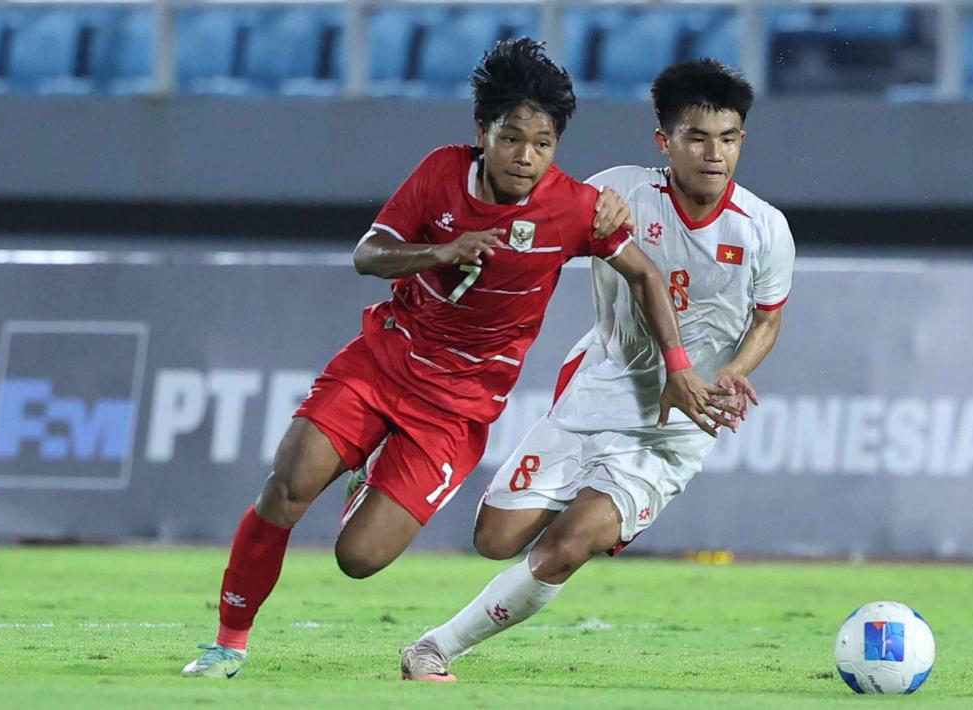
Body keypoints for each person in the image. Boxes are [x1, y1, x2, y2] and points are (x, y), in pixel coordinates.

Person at [181, 39, 730, 679]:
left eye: (543, 143)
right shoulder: (442, 172)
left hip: (456, 408)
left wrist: (677, 364)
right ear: (482, 132)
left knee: (359, 559)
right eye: (511, 138)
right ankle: (228, 643)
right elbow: (368, 253)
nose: (525, 156)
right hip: (384, 361)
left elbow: (646, 276)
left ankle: (369, 477)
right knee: (287, 488)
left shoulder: (575, 208)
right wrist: (439, 252)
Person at [397, 59, 796, 682]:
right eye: (696, 137)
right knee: (494, 539)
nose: (714, 154)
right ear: (664, 142)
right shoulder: (618, 192)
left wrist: (731, 374)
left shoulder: (766, 229)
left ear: (742, 140)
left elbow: (767, 322)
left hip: (678, 424)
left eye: (727, 138)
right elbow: (541, 218)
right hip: (598, 390)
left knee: (567, 546)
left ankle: (434, 648)